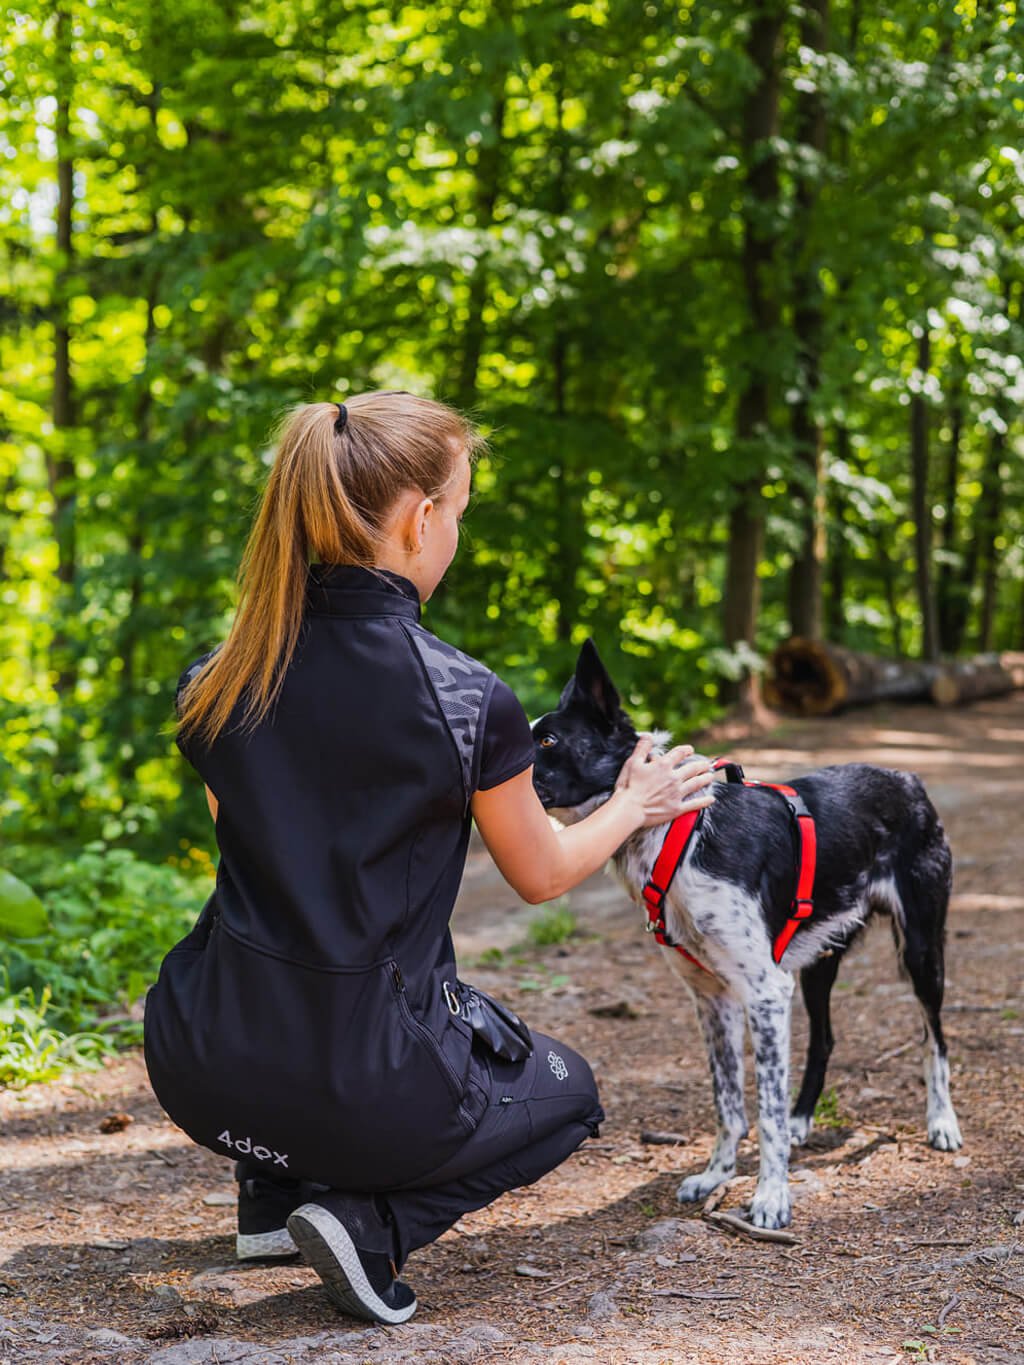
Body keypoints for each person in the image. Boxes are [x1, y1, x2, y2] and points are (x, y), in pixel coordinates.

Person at [144, 390, 715, 1325]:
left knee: (308, 977)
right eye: (457, 510)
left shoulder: (218, 679)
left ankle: (269, 1195)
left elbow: (245, 840)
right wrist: (633, 803)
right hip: (365, 1084)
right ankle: (369, 1222)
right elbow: (541, 874)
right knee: (570, 1094)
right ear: (419, 521)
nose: (454, 530)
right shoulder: (464, 697)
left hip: (202, 1056)